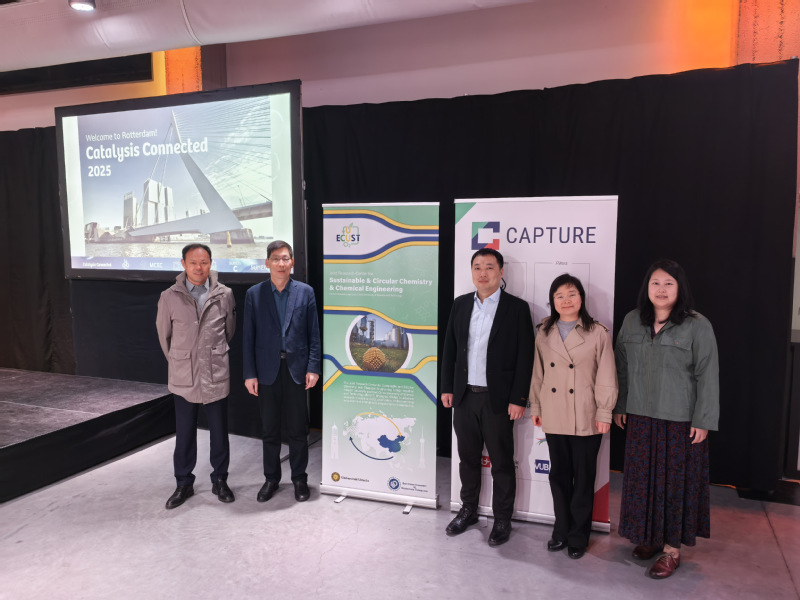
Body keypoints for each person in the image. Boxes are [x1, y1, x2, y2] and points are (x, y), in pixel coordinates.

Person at [614, 259, 719, 579]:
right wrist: (620, 405)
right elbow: (621, 367)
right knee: (642, 482)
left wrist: (703, 419)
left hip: (680, 422)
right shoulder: (632, 321)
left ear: (679, 288)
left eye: (668, 283)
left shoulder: (697, 325)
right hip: (640, 418)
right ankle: (649, 537)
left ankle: (672, 549)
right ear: (647, 287)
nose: (661, 289)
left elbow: (707, 375)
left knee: (675, 486)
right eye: (655, 283)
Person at [441, 248, 534, 546]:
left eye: (490, 267)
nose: (483, 273)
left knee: (502, 463)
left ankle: (502, 518)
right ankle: (468, 510)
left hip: (498, 400)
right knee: (467, 459)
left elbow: (525, 357)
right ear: (472, 272)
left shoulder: (516, 309)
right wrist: (447, 387)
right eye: (478, 267)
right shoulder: (460, 305)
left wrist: (519, 398)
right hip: (464, 397)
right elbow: (450, 349)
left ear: (501, 272)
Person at [529, 274, 617, 559]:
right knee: (559, 476)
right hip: (554, 412)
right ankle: (561, 530)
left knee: (583, 478)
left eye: (571, 294)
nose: (566, 300)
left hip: (587, 415)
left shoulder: (597, 332)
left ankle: (578, 535)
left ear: (581, 298)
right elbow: (537, 374)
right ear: (552, 301)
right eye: (559, 296)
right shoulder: (544, 332)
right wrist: (536, 407)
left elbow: (606, 374)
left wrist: (604, 411)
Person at [156, 243, 236, 509]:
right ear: (183, 265)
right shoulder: (169, 297)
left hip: (215, 373)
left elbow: (229, 331)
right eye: (193, 262)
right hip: (184, 376)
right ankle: (183, 483)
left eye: (204, 262)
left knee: (219, 432)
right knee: (184, 433)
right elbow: (165, 337)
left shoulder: (225, 294)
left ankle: (220, 480)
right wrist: (182, 360)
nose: (199, 268)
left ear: (210, 263)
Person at [243, 240, 321, 503]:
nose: (280, 263)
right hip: (266, 371)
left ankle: (299, 479)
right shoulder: (254, 294)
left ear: (292, 262)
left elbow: (313, 334)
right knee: (270, 430)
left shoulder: (305, 292)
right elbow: (248, 338)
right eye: (275, 258)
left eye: (285, 258)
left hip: (297, 370)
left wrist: (313, 367)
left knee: (298, 429)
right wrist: (249, 373)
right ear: (267, 263)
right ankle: (271, 479)